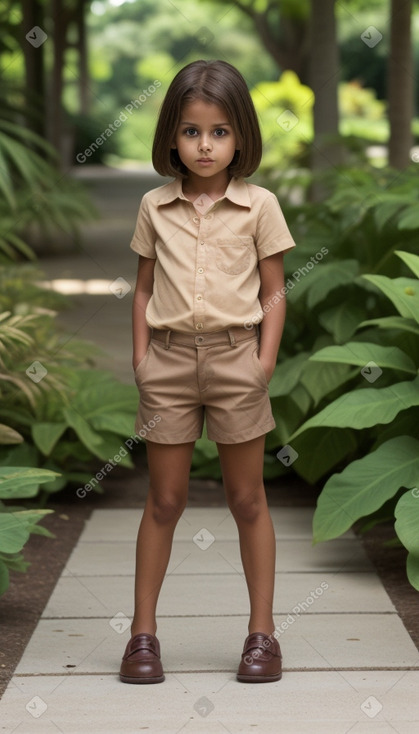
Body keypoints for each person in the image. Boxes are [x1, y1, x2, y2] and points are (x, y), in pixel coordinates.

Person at [119, 59, 296, 685]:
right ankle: (142, 636)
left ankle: (262, 636)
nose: (205, 145)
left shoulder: (260, 206)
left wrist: (263, 362)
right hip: (166, 364)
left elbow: (275, 290)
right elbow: (142, 290)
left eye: (220, 131)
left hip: (235, 361)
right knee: (164, 500)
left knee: (248, 499)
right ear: (171, 135)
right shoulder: (154, 206)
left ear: (241, 136)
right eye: (192, 131)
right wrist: (142, 360)